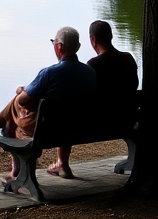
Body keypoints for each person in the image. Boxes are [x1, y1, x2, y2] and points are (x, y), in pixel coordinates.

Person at [0, 26, 96, 182]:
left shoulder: (49, 73)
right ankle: (62, 165)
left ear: (59, 46)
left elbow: (23, 100)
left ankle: (17, 172)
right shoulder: (90, 72)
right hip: (77, 127)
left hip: (47, 130)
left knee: (15, 107)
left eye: (54, 42)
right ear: (78, 48)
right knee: (65, 116)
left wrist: (22, 90)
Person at [47, 20, 139, 177]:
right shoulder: (128, 59)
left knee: (65, 114)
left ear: (93, 39)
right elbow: (134, 85)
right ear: (110, 36)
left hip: (98, 123)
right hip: (127, 119)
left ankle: (62, 163)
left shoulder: (93, 65)